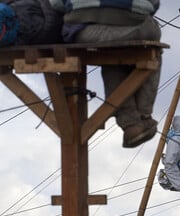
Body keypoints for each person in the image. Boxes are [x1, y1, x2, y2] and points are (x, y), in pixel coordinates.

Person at [49, 0, 162, 148]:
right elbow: (153, 4)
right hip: (132, 24)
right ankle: (143, 116)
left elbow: (55, 4)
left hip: (85, 30)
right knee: (151, 44)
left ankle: (131, 123)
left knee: (110, 53)